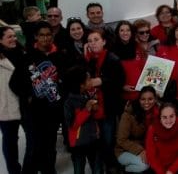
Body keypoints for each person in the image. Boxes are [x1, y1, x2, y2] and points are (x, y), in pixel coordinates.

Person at [10, 22, 65, 174]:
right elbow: (14, 83)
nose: (45, 38)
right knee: (34, 146)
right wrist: (28, 95)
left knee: (50, 145)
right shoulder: (27, 57)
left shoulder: (60, 56)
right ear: (36, 37)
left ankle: (49, 170)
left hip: (53, 110)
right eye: (42, 35)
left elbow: (66, 79)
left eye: (48, 35)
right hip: (33, 112)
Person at [85, 30, 125, 173]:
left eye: (96, 39)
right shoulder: (88, 59)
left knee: (108, 139)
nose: (93, 43)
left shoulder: (112, 59)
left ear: (104, 41)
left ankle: (111, 166)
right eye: (90, 41)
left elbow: (119, 81)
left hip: (107, 106)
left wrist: (101, 81)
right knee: (97, 139)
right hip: (93, 106)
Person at [63, 66, 103, 174]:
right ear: (81, 84)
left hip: (92, 139)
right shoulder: (69, 102)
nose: (91, 81)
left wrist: (97, 128)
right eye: (88, 79)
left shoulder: (86, 95)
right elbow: (72, 124)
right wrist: (87, 109)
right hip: (78, 144)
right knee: (79, 169)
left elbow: (93, 117)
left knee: (97, 168)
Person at [115, 86, 160, 173]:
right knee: (144, 165)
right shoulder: (129, 114)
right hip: (125, 150)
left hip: (147, 148)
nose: (146, 102)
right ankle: (124, 170)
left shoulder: (158, 113)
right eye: (143, 99)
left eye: (150, 99)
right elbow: (121, 140)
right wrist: (140, 151)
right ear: (139, 100)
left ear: (155, 99)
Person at [0, 26, 25, 174]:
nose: (14, 39)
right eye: (9, 37)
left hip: (22, 103)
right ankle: (13, 170)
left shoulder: (21, 53)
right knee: (10, 140)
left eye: (14, 36)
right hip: (5, 105)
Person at [145, 102, 178, 174]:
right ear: (160, 117)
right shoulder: (153, 129)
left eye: (171, 116)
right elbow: (151, 155)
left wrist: (171, 170)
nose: (168, 120)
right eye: (164, 117)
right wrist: (161, 172)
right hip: (159, 166)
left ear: (176, 115)